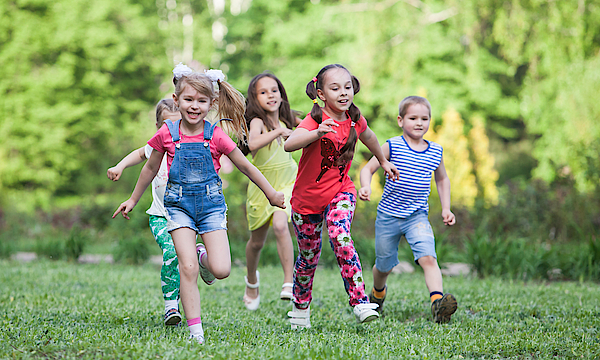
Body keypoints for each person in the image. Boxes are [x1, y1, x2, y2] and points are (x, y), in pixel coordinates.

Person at [112, 64, 285, 344]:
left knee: (221, 270)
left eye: (201, 101)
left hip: (211, 209)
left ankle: (204, 257)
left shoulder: (215, 134)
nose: (194, 106)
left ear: (211, 103)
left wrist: (271, 194)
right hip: (178, 207)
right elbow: (149, 168)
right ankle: (196, 332)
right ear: (176, 99)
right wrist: (133, 198)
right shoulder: (166, 132)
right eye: (188, 100)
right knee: (187, 268)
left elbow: (246, 167)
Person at [283, 64, 400, 328]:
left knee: (340, 234)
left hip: (340, 191)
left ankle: (360, 301)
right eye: (335, 88)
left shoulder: (355, 118)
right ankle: (300, 308)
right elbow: (289, 143)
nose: (344, 93)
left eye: (347, 87)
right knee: (308, 258)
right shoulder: (315, 119)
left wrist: (382, 160)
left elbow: (369, 137)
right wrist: (317, 133)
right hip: (306, 201)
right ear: (321, 94)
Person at [358, 95, 458, 324]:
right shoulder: (392, 145)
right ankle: (377, 294)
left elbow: (442, 180)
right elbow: (368, 168)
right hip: (388, 216)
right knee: (383, 266)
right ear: (400, 120)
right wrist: (365, 187)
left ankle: (438, 304)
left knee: (428, 258)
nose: (419, 122)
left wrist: (446, 208)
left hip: (417, 217)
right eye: (413, 118)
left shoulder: (435, 151)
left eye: (425, 118)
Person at [107, 98, 182, 326]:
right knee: (171, 253)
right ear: (158, 127)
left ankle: (202, 260)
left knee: (185, 260)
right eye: (166, 124)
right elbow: (139, 156)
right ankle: (171, 307)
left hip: (186, 217)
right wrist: (120, 167)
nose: (171, 129)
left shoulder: (189, 146)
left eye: (177, 124)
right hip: (159, 216)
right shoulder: (157, 145)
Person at [240, 72, 299, 310]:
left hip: (287, 183)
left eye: (274, 90)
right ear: (255, 98)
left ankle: (288, 281)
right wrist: (277, 133)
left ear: (281, 93)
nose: (270, 95)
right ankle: (251, 280)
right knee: (256, 243)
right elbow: (252, 144)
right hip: (261, 187)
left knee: (280, 224)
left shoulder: (289, 120)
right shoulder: (258, 122)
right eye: (263, 92)